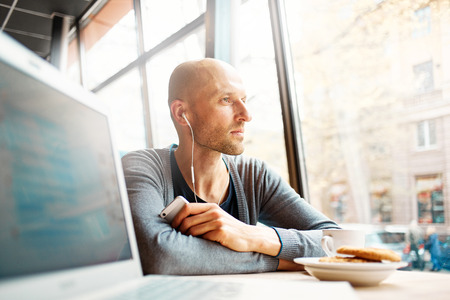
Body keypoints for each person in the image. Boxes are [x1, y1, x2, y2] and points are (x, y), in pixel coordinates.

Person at [121, 58, 340, 275]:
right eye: (226, 99)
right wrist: (281, 260)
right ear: (182, 113)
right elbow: (160, 256)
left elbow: (338, 242)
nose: (246, 115)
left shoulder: (255, 176)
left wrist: (250, 236)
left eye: (244, 99)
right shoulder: (142, 167)